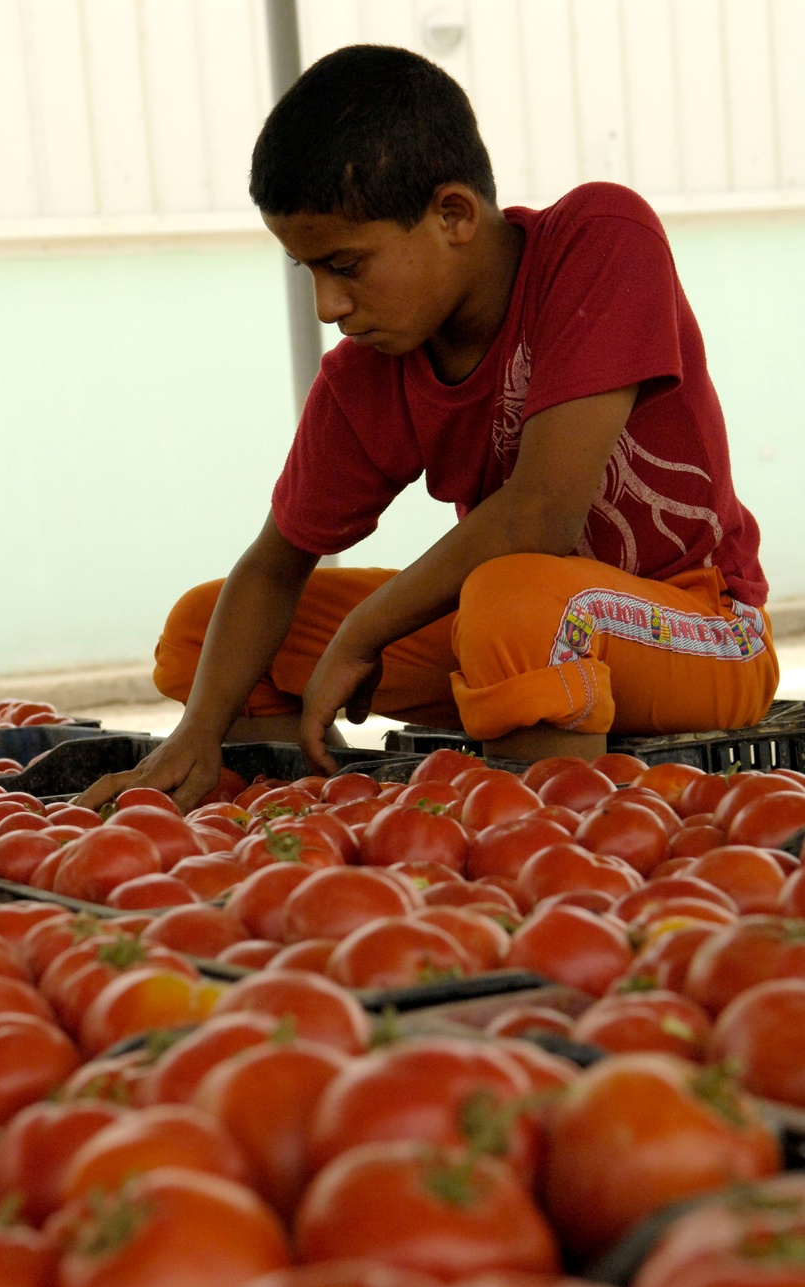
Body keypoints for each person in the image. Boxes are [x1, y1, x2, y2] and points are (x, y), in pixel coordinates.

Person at [78, 43, 777, 814]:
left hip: (703, 631)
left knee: (514, 602)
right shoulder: (367, 372)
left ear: (453, 216)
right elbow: (274, 570)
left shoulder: (602, 239)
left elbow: (542, 514)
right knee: (204, 634)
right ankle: (325, 827)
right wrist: (197, 734)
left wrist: (363, 633)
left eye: (346, 265)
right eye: (305, 271)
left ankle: (560, 855)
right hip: (503, 638)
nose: (328, 307)